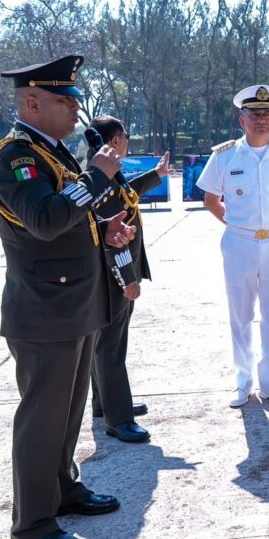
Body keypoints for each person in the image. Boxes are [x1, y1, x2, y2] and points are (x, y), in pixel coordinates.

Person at [0, 55, 136, 539]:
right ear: (32, 103)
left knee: (68, 414)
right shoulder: (15, 158)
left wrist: (105, 230)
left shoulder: (54, 152)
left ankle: (63, 488)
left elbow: (72, 216)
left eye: (74, 98)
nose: (76, 108)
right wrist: (94, 177)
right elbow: (45, 219)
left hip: (74, 304)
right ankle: (31, 527)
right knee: (42, 420)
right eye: (64, 99)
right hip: (44, 311)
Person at [197, 84, 269, 409]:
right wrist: (238, 225)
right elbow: (210, 200)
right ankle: (243, 380)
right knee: (241, 313)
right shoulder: (225, 155)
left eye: (267, 114)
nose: (262, 119)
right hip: (239, 243)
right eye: (255, 114)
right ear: (242, 120)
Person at [85, 115, 173, 443]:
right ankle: (118, 418)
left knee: (105, 343)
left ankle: (105, 403)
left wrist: (156, 175)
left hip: (113, 274)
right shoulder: (101, 176)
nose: (127, 140)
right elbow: (113, 235)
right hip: (114, 276)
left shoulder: (103, 172)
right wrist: (127, 279)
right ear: (114, 140)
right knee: (111, 346)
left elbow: (127, 194)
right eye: (124, 135)